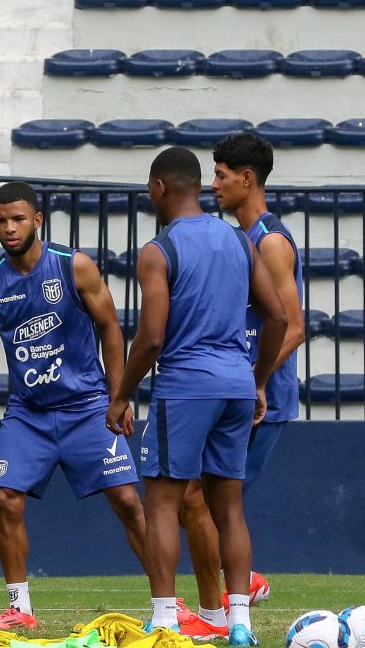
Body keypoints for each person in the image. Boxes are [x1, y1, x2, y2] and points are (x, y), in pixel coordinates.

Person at [106, 147, 288, 647]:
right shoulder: (237, 239)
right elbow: (277, 317)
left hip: (186, 386)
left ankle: (164, 620)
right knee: (228, 506)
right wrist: (258, 380)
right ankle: (240, 623)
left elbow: (151, 338)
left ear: (159, 187)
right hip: (235, 384)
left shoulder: (158, 250)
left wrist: (120, 397)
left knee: (162, 501)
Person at [0, 181, 146, 630]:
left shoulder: (74, 266)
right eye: (1, 221)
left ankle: (168, 603)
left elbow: (111, 328)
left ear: (37, 219)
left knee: (127, 501)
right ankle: (20, 608)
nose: (9, 228)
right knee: (5, 499)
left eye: (18, 219)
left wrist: (119, 395)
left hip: (87, 406)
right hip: (29, 412)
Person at [173, 132, 306, 639]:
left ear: (247, 179)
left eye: (222, 175)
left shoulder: (269, 242)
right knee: (193, 499)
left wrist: (256, 381)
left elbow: (293, 325)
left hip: (256, 399)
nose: (214, 186)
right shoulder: (238, 239)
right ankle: (229, 597)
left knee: (200, 501)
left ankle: (222, 607)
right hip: (238, 391)